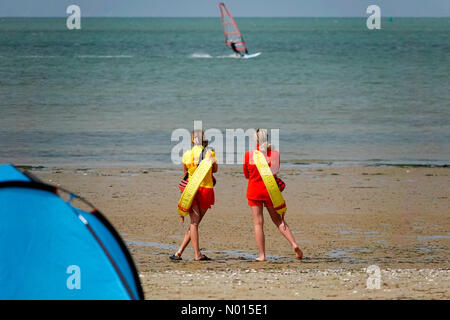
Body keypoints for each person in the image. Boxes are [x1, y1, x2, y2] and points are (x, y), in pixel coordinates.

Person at [243, 129, 303, 261]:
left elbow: (246, 174)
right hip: (271, 191)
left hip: (254, 191)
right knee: (278, 220)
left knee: (258, 223)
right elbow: (275, 171)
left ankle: (262, 255)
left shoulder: (249, 155)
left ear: (256, 140)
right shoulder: (275, 154)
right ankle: (293, 244)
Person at [170, 129, 218, 261]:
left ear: (192, 140)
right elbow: (215, 170)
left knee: (193, 224)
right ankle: (197, 255)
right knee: (195, 224)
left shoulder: (186, 155)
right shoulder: (210, 153)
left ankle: (179, 252)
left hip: (191, 190)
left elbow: (185, 173)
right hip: (206, 190)